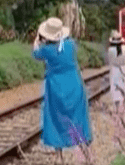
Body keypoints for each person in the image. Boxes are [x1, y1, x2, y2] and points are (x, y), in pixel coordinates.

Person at [32, 17, 92, 163]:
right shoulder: (71, 44)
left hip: (56, 88)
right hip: (74, 85)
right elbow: (65, 47)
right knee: (77, 118)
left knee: (55, 120)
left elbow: (35, 53)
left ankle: (59, 157)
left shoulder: (46, 50)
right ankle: (87, 154)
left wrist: (37, 40)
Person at [105, 30, 125, 151]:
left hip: (115, 72)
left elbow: (109, 61)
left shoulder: (110, 51)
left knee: (117, 94)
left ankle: (118, 110)